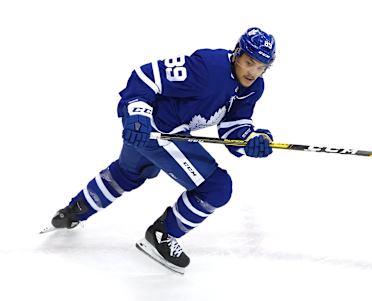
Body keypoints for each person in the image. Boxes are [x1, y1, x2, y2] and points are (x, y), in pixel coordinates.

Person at [49, 27, 276, 273]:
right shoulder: (208, 68)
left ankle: (73, 211)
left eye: (261, 66)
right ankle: (161, 235)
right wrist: (137, 113)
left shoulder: (254, 88)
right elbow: (147, 76)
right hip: (156, 130)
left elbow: (234, 125)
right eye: (249, 62)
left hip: (163, 133)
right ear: (237, 54)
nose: (253, 71)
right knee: (217, 187)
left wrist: (252, 139)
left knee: (127, 174)